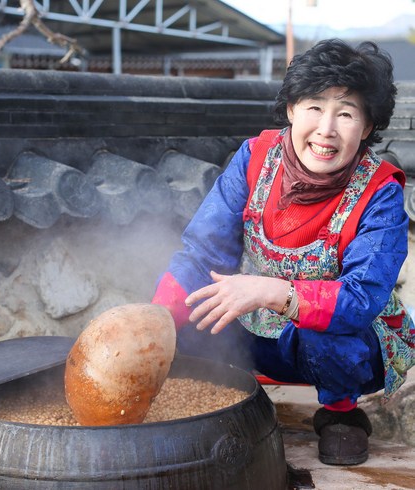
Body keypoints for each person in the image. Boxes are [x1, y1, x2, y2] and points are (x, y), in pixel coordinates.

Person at [152, 38, 415, 466]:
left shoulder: (380, 192)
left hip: (346, 349)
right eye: (314, 106)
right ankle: (229, 399)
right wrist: (156, 320)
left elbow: (361, 299)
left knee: (326, 332)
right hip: (257, 334)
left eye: (346, 113)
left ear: (366, 127)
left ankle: (341, 414)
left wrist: (273, 292)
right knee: (190, 312)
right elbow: (203, 253)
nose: (326, 129)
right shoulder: (254, 158)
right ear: (292, 109)